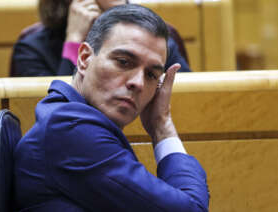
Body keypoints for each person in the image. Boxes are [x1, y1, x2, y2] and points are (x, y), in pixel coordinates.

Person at [14, 4, 209, 212]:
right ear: (84, 59)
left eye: (151, 75)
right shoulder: (70, 129)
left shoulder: (69, 118)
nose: (138, 83)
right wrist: (162, 127)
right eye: (124, 62)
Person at [10, 0, 191, 77]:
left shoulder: (155, 35)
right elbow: (55, 113)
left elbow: (186, 101)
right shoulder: (31, 48)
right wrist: (74, 40)